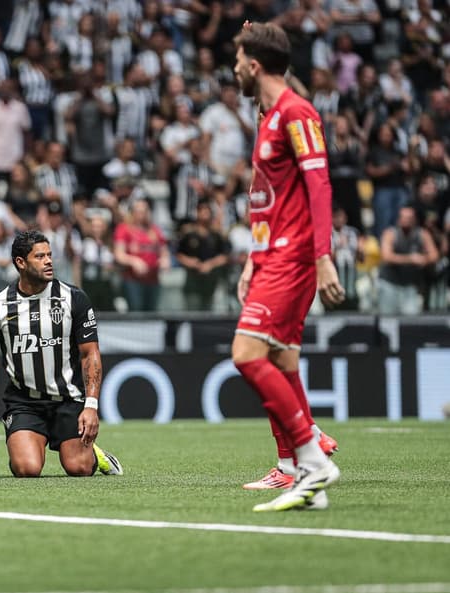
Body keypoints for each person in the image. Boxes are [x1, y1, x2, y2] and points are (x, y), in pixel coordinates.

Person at [231, 23, 343, 511]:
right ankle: (303, 472)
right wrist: (252, 262)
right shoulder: (272, 116)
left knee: (247, 354)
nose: (233, 67)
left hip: (294, 256)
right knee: (281, 361)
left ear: (254, 66)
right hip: (271, 255)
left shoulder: (297, 113)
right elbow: (267, 201)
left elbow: (320, 187)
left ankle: (310, 454)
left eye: (238, 58)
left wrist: (323, 258)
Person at [0, 229, 123, 478]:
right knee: (27, 469)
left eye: (50, 255)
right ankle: (28, 442)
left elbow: (90, 354)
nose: (49, 261)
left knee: (79, 468)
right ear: (20, 263)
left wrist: (91, 405)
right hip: (24, 401)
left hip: (68, 398)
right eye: (40, 256)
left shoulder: (73, 298)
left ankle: (93, 455)